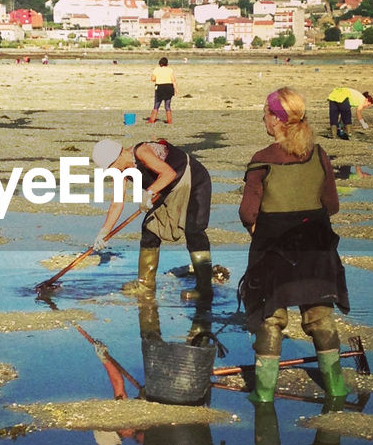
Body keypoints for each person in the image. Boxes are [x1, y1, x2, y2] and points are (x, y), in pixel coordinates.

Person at [238, 88, 351, 407]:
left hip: (274, 251)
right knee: (320, 316)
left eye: (265, 112)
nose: (263, 117)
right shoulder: (318, 154)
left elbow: (248, 213)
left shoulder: (262, 159)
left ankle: (263, 395)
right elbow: (332, 204)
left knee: (271, 317)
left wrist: (264, 229)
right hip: (316, 247)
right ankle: (337, 389)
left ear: (276, 120)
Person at [91, 135, 213, 302]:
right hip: (167, 190)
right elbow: (117, 203)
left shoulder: (141, 151)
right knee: (149, 229)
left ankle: (204, 289)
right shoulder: (120, 171)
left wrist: (148, 193)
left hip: (193, 180)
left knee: (194, 231)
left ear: (118, 156)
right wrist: (104, 232)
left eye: (111, 167)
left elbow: (168, 173)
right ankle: (146, 284)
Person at [147, 57, 176, 125]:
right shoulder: (170, 70)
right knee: (167, 105)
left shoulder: (156, 69)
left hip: (160, 87)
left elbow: (153, 79)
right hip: (169, 87)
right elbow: (173, 80)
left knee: (156, 105)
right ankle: (169, 121)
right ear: (167, 64)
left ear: (160, 64)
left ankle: (151, 120)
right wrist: (176, 89)